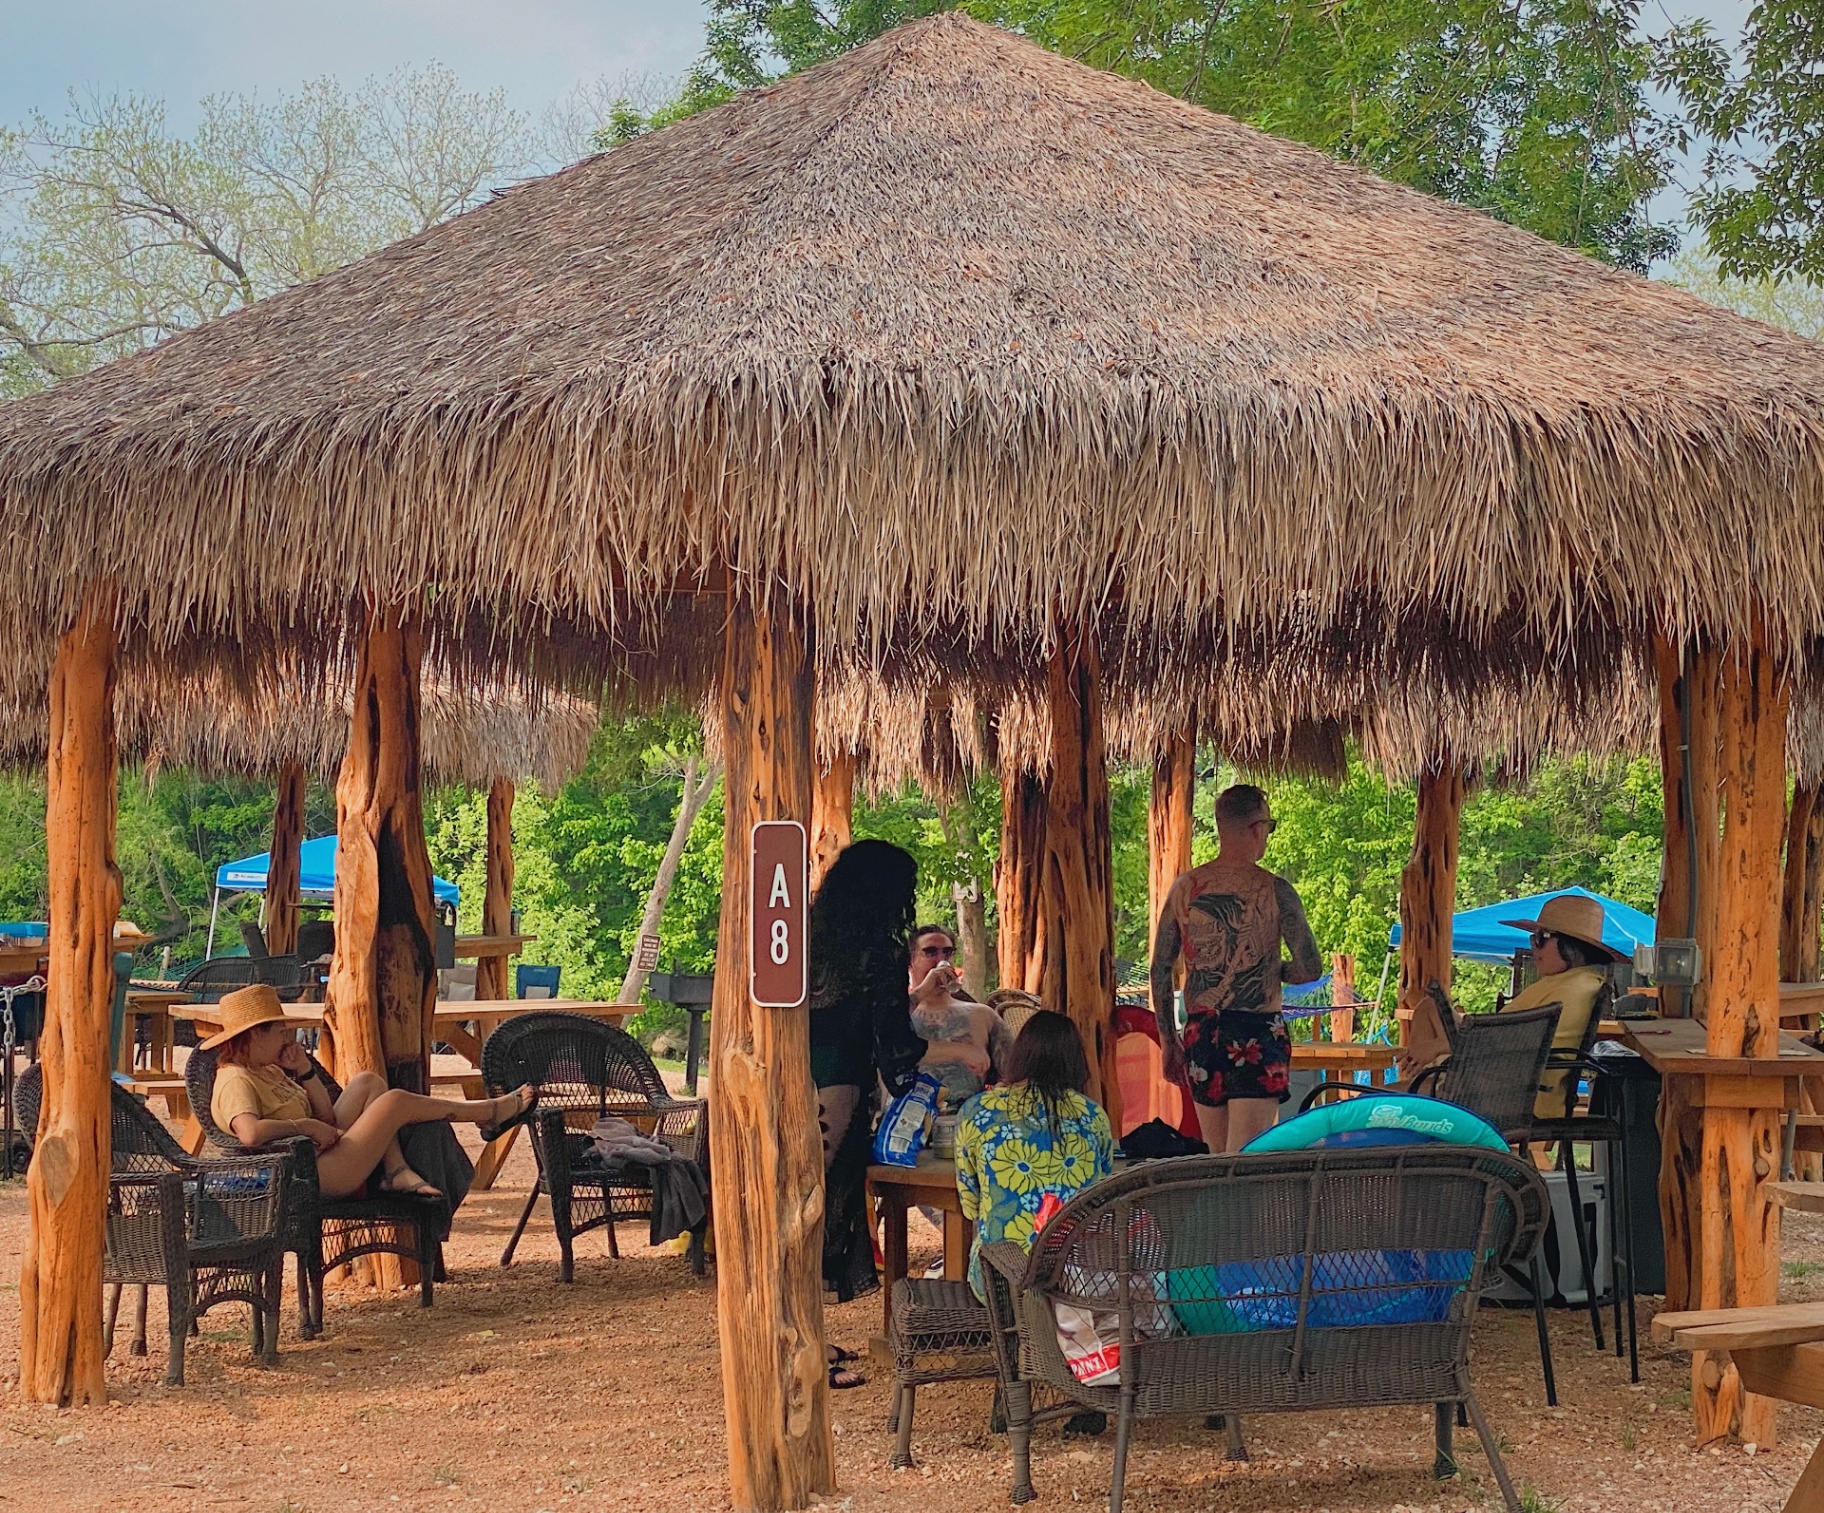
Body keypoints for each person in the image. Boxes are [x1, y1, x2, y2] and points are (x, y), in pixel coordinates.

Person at [807, 841, 989, 1386]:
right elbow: (894, 1051)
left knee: (792, 1210)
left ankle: (802, 1336)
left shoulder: (809, 938)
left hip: (789, 1079)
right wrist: (957, 1051)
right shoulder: (877, 951)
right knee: (818, 1213)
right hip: (838, 1089)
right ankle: (804, 1352)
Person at [206, 983, 533, 1200]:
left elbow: (327, 1117)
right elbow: (249, 1134)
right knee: (394, 1102)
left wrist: (305, 1072)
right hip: (304, 1174)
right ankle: (487, 1112)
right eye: (279, 1032)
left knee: (368, 1082)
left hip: (320, 1153)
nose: (286, 1038)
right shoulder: (236, 1079)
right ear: (254, 1037)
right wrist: (302, 1127)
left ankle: (395, 1170)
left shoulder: (269, 1070)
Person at [1150, 783, 1323, 1154]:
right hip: (1255, 1030)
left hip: (1201, 1032)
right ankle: (1242, 1215)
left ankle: (1220, 1214)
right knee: (1246, 1157)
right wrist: (1272, 969)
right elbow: (1310, 968)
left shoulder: (1184, 889)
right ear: (1257, 828)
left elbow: (1161, 968)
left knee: (1216, 1155)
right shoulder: (1275, 889)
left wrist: (1168, 1041)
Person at [954, 1010, 1114, 1303]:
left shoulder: (976, 1112)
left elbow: (970, 1206)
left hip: (998, 1281)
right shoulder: (1093, 1116)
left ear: (1020, 1055)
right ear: (1076, 1061)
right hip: (1076, 1280)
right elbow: (1100, 1194)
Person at [1495, 893, 1623, 1115]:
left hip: (1517, 1095)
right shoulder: (1577, 983)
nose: (1534, 947)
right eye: (1533, 938)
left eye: (1541, 938)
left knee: (1419, 1087)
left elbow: (1511, 1042)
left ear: (1571, 947)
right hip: (1515, 1084)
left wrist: (1447, 1046)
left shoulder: (1571, 990)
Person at [908, 922, 1013, 1110]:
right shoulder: (897, 1015)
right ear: (911, 961)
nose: (941, 960)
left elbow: (1014, 1074)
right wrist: (922, 990)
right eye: (930, 952)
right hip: (906, 1124)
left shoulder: (982, 1015)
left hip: (967, 1121)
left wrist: (994, 1097)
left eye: (947, 953)